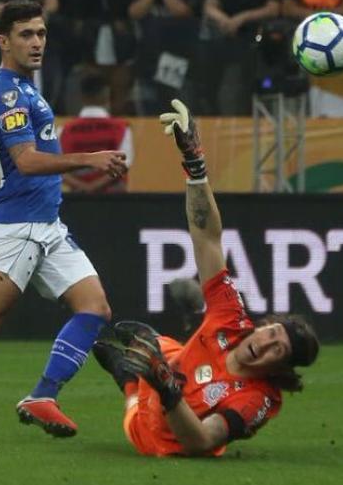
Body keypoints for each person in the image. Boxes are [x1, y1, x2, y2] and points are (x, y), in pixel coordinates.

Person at [0, 0, 127, 438]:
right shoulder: (8, 93)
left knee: (95, 307)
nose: (37, 42)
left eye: (41, 33)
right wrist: (89, 158)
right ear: (4, 41)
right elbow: (25, 161)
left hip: (46, 225)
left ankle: (43, 396)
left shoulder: (22, 88)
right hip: (21, 229)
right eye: (26, 34)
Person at [93, 99, 320, 457]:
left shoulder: (258, 399)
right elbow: (207, 237)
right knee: (150, 344)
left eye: (277, 350)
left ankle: (128, 384)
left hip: (159, 434)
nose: (265, 344)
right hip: (175, 365)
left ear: (279, 369)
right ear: (263, 326)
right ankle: (142, 365)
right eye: (271, 333)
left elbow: (200, 441)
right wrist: (195, 163)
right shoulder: (232, 319)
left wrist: (167, 390)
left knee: (141, 393)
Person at [60, 70, 135, 194]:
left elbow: (56, 167)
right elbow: (123, 164)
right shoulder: (122, 128)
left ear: (81, 96)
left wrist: (84, 187)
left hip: (77, 199)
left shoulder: (64, 130)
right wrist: (94, 187)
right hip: (114, 199)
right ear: (107, 95)